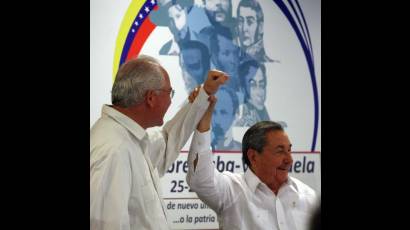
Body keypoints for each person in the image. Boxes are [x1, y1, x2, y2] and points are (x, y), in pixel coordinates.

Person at [90, 54, 228, 230]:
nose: (171, 100)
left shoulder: (130, 138)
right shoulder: (114, 150)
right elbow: (104, 225)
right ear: (151, 98)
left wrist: (204, 94)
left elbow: (169, 140)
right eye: (169, 92)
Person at [186, 116, 318, 229]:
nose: (289, 160)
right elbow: (199, 179)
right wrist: (203, 118)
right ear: (253, 157)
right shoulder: (231, 190)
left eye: (289, 150)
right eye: (280, 151)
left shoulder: (308, 196)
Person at [236, 59, 270, 126]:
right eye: (252, 85)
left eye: (261, 85)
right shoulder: (241, 114)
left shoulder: (261, 110)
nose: (259, 92)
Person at [211, 86, 241, 150]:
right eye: (213, 112)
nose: (217, 120)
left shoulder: (245, 152)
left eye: (223, 113)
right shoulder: (198, 151)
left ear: (236, 116)